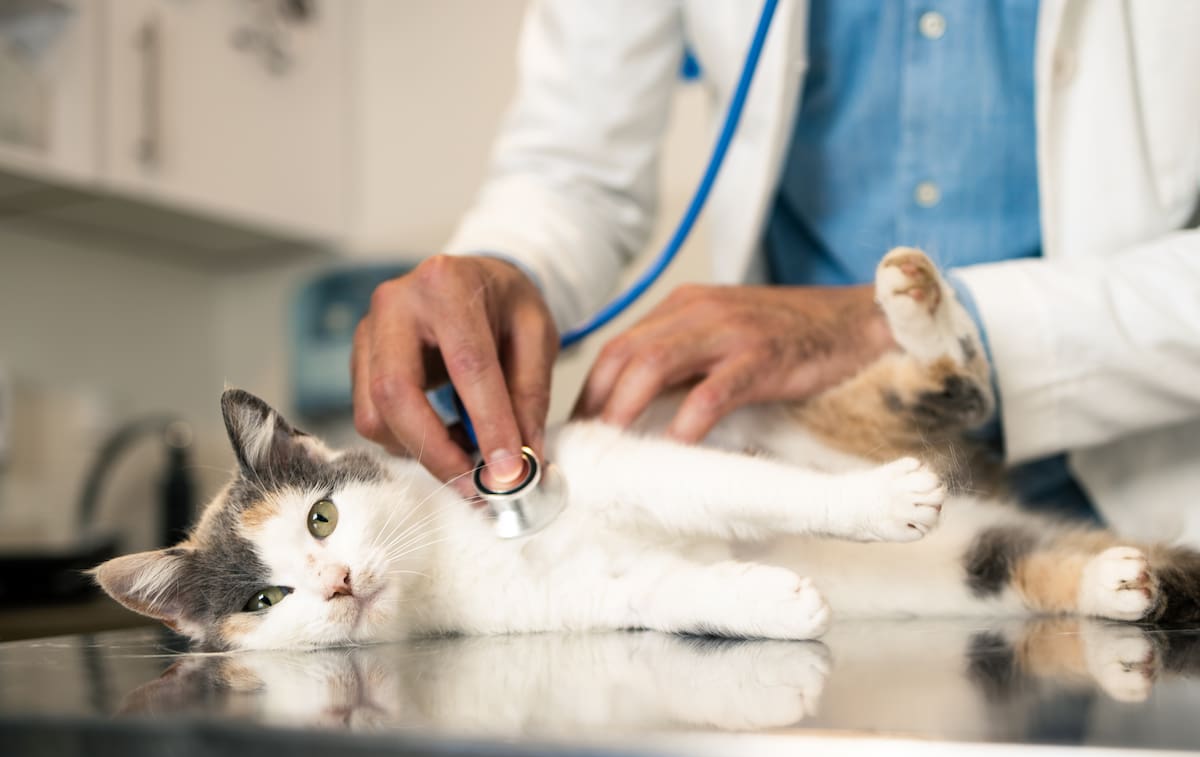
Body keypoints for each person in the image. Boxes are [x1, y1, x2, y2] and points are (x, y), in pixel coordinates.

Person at [353, 1, 1200, 544]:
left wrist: (901, 326)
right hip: (811, 501)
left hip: (1132, 494)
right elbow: (572, 166)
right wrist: (506, 263)